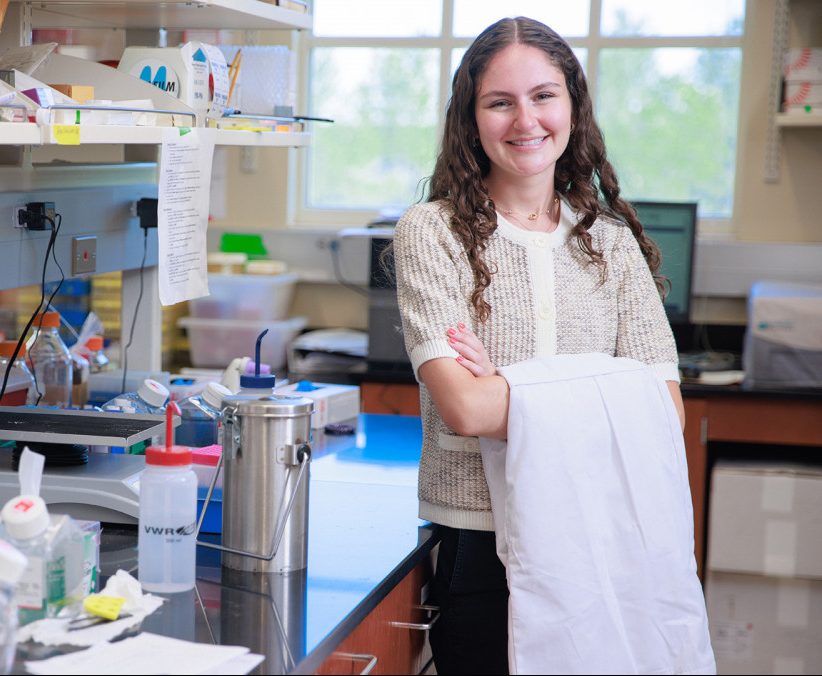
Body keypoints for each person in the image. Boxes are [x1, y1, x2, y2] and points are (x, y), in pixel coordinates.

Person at [392, 16, 685, 676]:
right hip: (479, 539)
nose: (525, 120)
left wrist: (513, 388)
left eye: (544, 95)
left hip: (600, 529)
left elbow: (664, 413)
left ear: (574, 106)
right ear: (471, 118)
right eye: (500, 102)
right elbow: (465, 412)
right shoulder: (431, 234)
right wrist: (600, 387)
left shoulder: (610, 244)